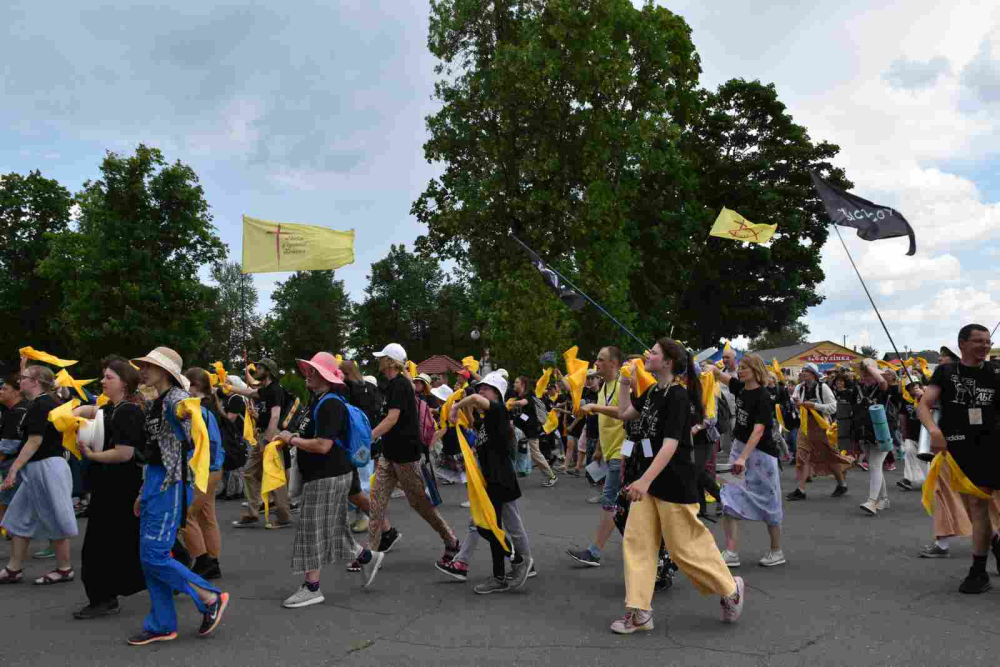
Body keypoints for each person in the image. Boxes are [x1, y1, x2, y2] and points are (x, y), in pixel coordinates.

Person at [612, 339, 743, 634]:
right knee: (637, 543)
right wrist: (624, 383)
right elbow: (623, 413)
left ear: (668, 362)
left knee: (685, 549)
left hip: (673, 482)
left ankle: (730, 589)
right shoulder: (653, 391)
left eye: (654, 353)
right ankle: (639, 612)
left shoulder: (678, 396)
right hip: (648, 480)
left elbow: (671, 444)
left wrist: (644, 480)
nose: (648, 355)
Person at [128, 347, 228, 646]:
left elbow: (191, 425)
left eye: (149, 366)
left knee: (154, 555)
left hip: (170, 485)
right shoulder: (156, 402)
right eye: (143, 365)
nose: (143, 370)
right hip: (154, 482)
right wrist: (143, 490)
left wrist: (187, 413)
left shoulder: (177, 400)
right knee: (149, 558)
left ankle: (209, 597)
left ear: (166, 372)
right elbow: (154, 452)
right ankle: (161, 624)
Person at [277, 353, 382, 608]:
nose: (307, 374)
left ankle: (312, 588)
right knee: (334, 529)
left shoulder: (330, 404)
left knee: (310, 530)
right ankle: (367, 557)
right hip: (329, 474)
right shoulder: (320, 400)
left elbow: (323, 445)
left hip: (327, 475)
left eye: (313, 371)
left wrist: (291, 439)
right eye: (308, 369)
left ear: (325, 376)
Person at [917, 324, 1000, 593]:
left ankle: (984, 560)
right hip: (960, 448)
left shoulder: (996, 371)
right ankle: (984, 561)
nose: (985, 346)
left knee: (983, 505)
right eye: (978, 341)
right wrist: (934, 430)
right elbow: (924, 406)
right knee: (976, 506)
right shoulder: (945, 372)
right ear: (962, 344)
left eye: (987, 341)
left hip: (994, 446)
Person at [367, 343, 460, 575]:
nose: (379, 361)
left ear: (390, 362)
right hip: (389, 454)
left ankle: (451, 540)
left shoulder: (400, 385)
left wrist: (368, 437)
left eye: (382, 357)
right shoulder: (394, 384)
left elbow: (392, 418)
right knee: (376, 502)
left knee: (420, 504)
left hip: (406, 456)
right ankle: (369, 554)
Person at [440, 372, 533, 593]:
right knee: (495, 527)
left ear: (497, 394)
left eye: (486, 389)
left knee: (489, 527)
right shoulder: (488, 421)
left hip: (500, 480)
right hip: (494, 481)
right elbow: (473, 420)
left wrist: (456, 406)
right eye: (480, 388)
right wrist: (462, 406)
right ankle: (513, 567)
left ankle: (515, 564)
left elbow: (474, 400)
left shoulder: (499, 411)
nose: (481, 391)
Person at [70, 358, 147, 618]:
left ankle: (103, 597)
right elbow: (95, 412)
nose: (102, 381)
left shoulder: (127, 411)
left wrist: (91, 455)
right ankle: (174, 571)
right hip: (114, 486)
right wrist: (75, 413)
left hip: (119, 487)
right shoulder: (115, 408)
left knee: (99, 546)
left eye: (108, 377)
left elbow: (124, 453)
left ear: (124, 383)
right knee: (126, 541)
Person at [0, 364, 78, 585]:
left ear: (35, 382)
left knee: (55, 515)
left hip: (46, 466)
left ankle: (64, 569)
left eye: (24, 377)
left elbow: (35, 440)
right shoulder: (43, 402)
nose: (20, 381)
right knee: (19, 516)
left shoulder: (41, 404)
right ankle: (13, 569)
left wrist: (13, 469)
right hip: (40, 467)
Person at [713, 355, 785, 568]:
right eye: (740, 367)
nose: (740, 370)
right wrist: (702, 368)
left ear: (756, 370)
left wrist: (743, 457)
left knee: (770, 502)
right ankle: (731, 552)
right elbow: (720, 375)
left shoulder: (763, 396)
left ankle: (776, 551)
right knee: (728, 498)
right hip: (739, 450)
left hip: (761, 455)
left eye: (745, 368)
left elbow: (759, 430)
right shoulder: (741, 388)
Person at [567, 346, 625, 567]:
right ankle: (649, 549)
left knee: (610, 501)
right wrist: (600, 448)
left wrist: (595, 407)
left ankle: (594, 552)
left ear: (614, 363)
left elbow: (624, 412)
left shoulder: (622, 384)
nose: (596, 363)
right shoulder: (604, 387)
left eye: (601, 360)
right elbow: (604, 421)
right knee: (624, 506)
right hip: (610, 452)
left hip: (623, 452)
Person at [226, 358, 292, 529]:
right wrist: (229, 388)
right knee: (249, 472)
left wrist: (267, 440)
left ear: (268, 371)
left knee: (274, 476)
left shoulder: (275, 390)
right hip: (264, 435)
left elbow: (275, 416)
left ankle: (284, 517)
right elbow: (250, 393)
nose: (257, 370)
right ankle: (252, 513)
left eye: (260, 367)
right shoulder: (266, 389)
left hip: (271, 437)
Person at [181, 368, 226, 580]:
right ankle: (212, 562)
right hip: (214, 468)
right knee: (206, 516)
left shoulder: (196, 409)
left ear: (194, 385)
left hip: (203, 470)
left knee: (185, 515)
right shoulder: (211, 406)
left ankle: (202, 561)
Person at [785, 364, 852, 501]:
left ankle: (842, 484)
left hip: (821, 426)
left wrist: (814, 405)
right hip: (805, 426)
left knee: (829, 456)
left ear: (813, 374)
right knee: (801, 455)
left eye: (806, 371)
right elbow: (796, 405)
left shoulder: (823, 387)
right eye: (802, 371)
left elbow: (833, 407)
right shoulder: (799, 387)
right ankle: (801, 490)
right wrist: (797, 404)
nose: (803, 373)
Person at [849, 360, 892, 516]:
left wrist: (870, 367)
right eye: (864, 373)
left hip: (882, 432)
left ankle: (872, 501)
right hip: (864, 432)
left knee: (874, 465)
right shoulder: (858, 389)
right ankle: (884, 499)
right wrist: (853, 439)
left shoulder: (882, 387)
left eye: (868, 373)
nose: (865, 376)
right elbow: (853, 413)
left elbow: (882, 382)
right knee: (876, 466)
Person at [509, 376, 556, 487]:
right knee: (516, 447)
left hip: (532, 430)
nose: (514, 384)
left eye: (516, 382)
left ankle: (552, 476)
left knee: (536, 454)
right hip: (523, 430)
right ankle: (520, 469)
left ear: (522, 384)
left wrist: (511, 404)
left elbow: (523, 403)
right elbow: (522, 415)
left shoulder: (528, 395)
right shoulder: (518, 396)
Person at [0, 374, 28, 528]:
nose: (0, 391)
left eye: (5, 389)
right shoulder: (16, 410)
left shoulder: (17, 412)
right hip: (15, 465)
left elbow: (8, 446)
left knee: (9, 502)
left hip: (13, 465)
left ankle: (11, 531)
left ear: (16, 392)